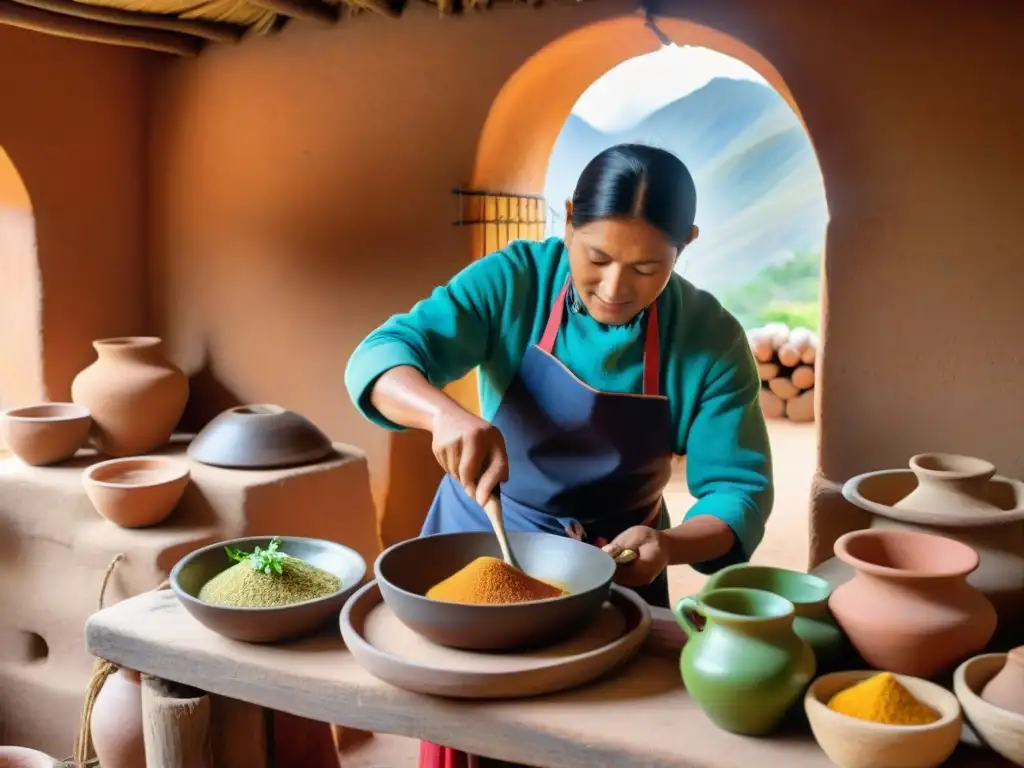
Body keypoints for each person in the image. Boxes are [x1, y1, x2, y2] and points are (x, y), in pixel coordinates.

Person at [344, 143, 773, 768]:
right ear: (568, 217)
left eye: (648, 268)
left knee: (594, 743)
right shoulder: (515, 280)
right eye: (595, 257)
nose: (615, 289)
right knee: (475, 739)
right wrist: (444, 413)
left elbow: (739, 490)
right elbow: (381, 354)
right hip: (482, 542)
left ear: (688, 243)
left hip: (618, 563)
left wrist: (668, 548)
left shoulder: (709, 339)